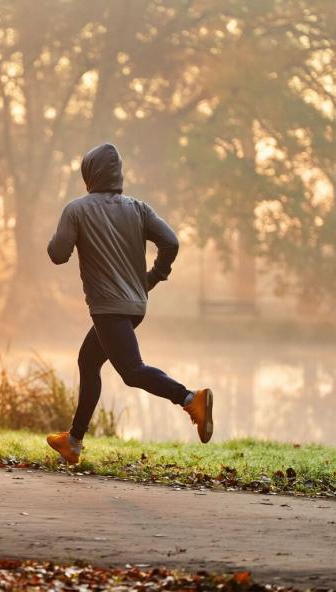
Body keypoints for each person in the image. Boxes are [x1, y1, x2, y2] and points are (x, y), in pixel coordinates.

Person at [45, 143, 213, 465]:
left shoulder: (77, 210)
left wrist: (58, 236)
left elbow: (58, 254)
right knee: (89, 361)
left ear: (89, 174)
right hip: (135, 306)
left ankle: (191, 399)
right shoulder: (138, 208)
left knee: (132, 371)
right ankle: (74, 442)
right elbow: (171, 241)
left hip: (109, 308)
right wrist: (155, 275)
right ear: (118, 173)